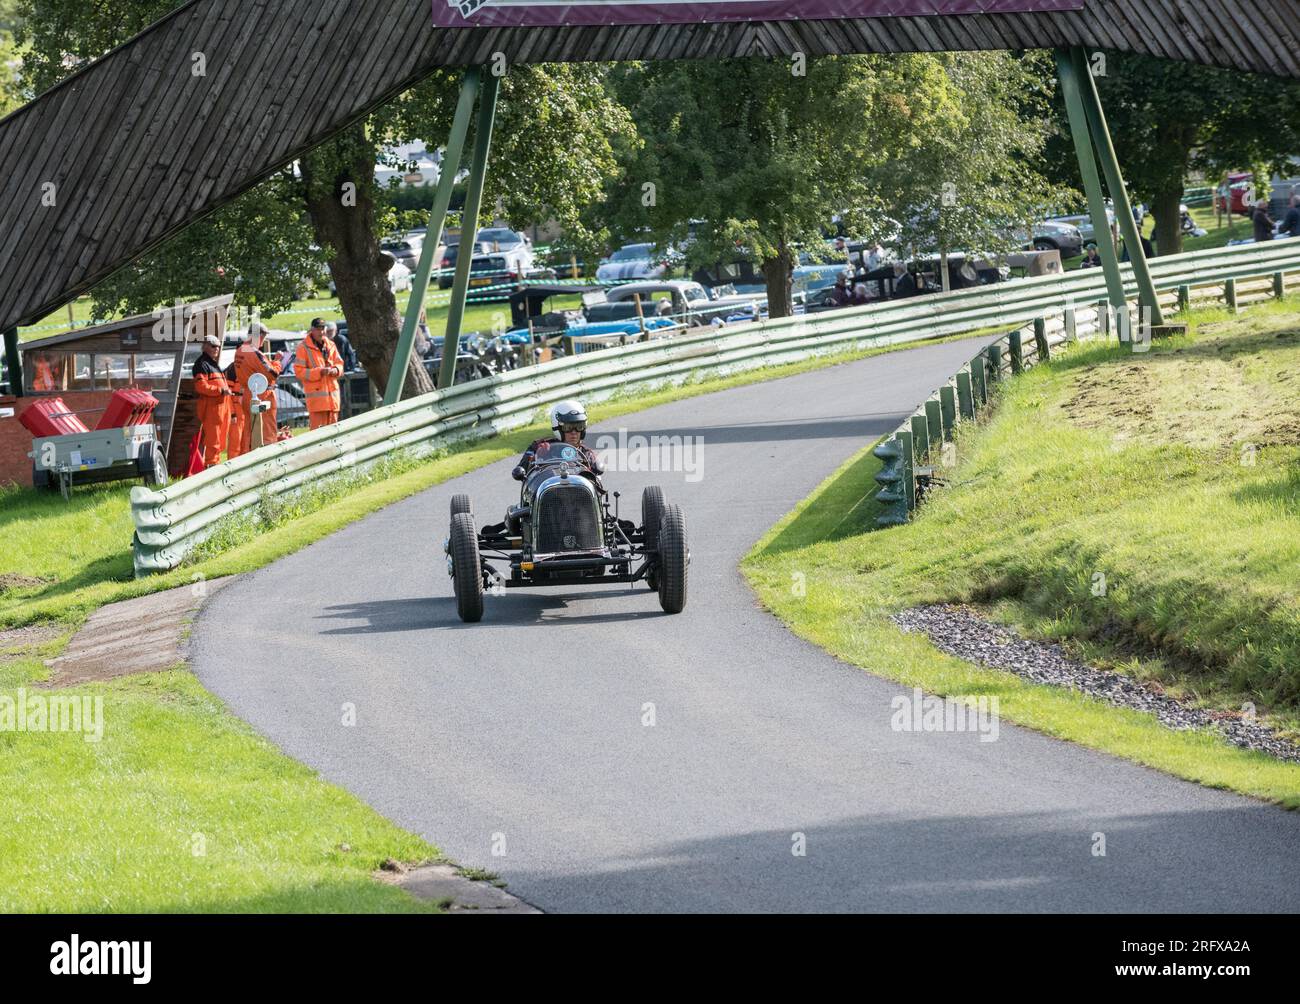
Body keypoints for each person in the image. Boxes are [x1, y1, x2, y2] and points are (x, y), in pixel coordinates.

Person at [512, 400, 604, 483]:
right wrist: (537, 457)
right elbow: (520, 470)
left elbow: (598, 477)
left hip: (580, 497)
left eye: (579, 427)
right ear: (558, 428)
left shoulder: (586, 453)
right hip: (548, 496)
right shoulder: (540, 446)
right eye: (568, 428)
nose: (574, 432)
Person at [236, 323, 281, 452]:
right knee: (266, 432)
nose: (264, 340)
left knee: (251, 431)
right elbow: (273, 373)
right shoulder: (254, 352)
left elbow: (259, 369)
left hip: (248, 394)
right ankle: (267, 459)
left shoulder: (240, 350)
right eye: (264, 336)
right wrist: (277, 361)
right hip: (261, 396)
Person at [294, 318, 344, 430]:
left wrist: (335, 370)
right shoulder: (303, 348)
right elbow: (299, 372)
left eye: (322, 329)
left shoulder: (331, 345)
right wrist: (319, 372)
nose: (321, 332)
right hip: (317, 403)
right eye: (318, 329)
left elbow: (340, 364)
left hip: (333, 401)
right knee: (317, 436)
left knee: (334, 433)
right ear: (312, 330)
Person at [191, 333, 232, 467]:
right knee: (213, 440)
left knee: (220, 440)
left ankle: (215, 464)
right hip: (212, 408)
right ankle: (211, 466)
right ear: (205, 346)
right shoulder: (202, 364)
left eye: (218, 347)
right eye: (213, 346)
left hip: (220, 407)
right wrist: (220, 391)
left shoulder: (212, 363)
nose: (217, 349)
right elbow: (201, 386)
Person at [223, 359, 245, 460]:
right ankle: (233, 465)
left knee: (246, 442)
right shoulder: (232, 369)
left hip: (246, 408)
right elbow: (227, 395)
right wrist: (232, 413)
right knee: (235, 442)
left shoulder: (251, 365)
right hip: (236, 408)